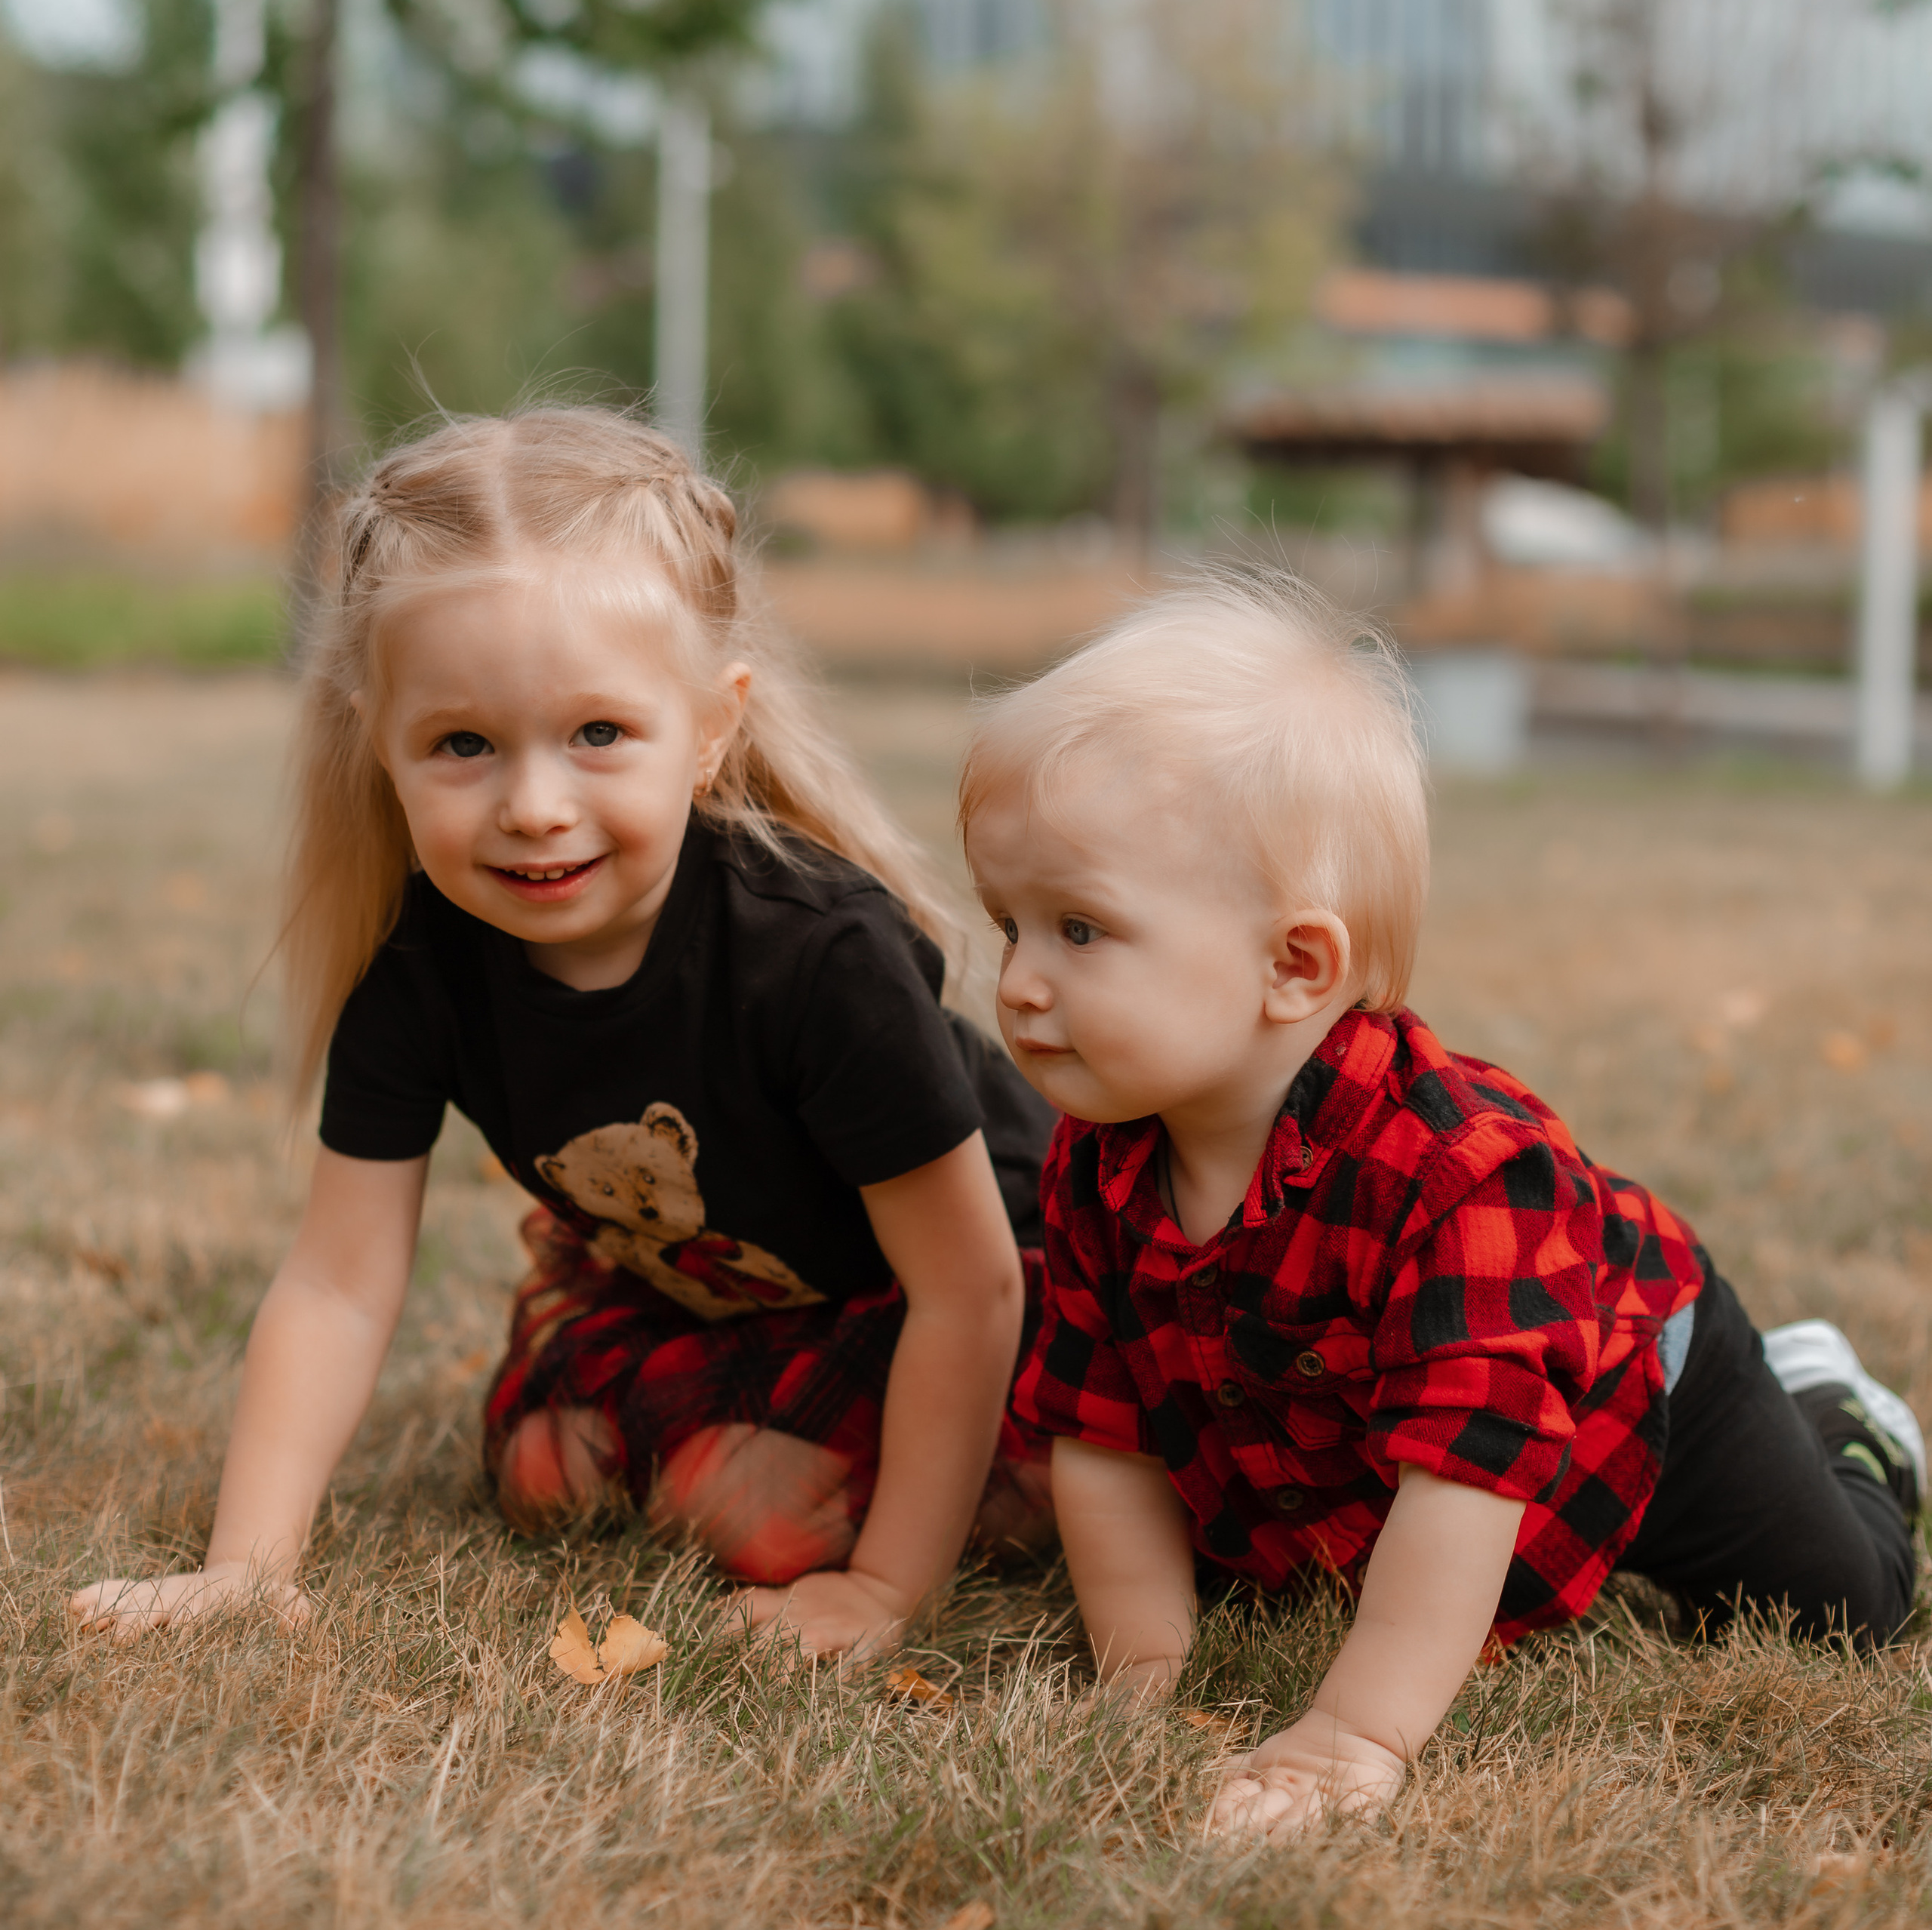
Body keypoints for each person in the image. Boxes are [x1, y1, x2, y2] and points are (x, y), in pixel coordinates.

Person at [72, 405, 1054, 1656]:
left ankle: (992, 1480)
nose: (535, 806)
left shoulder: (818, 957)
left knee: (750, 1512)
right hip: (718, 1291)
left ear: (709, 731)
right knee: (543, 1468)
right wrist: (244, 1567)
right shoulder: (421, 972)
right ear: (381, 743)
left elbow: (971, 1289)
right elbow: (335, 1281)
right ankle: (732, 1438)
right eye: (463, 744)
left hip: (982, 1287)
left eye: (598, 734)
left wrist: (881, 1590)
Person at [960, 573, 1922, 1840]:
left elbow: (1468, 1475)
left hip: (1633, 1389)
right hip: (1350, 1451)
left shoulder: (1458, 1171)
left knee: (1841, 1607)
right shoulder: (1098, 1163)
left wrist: (1355, 1733)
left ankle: (1839, 1413)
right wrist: (1145, 1673)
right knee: (1277, 1573)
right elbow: (1107, 1432)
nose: (1019, 984)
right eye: (1011, 924)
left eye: (1079, 931)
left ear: (1294, 965)